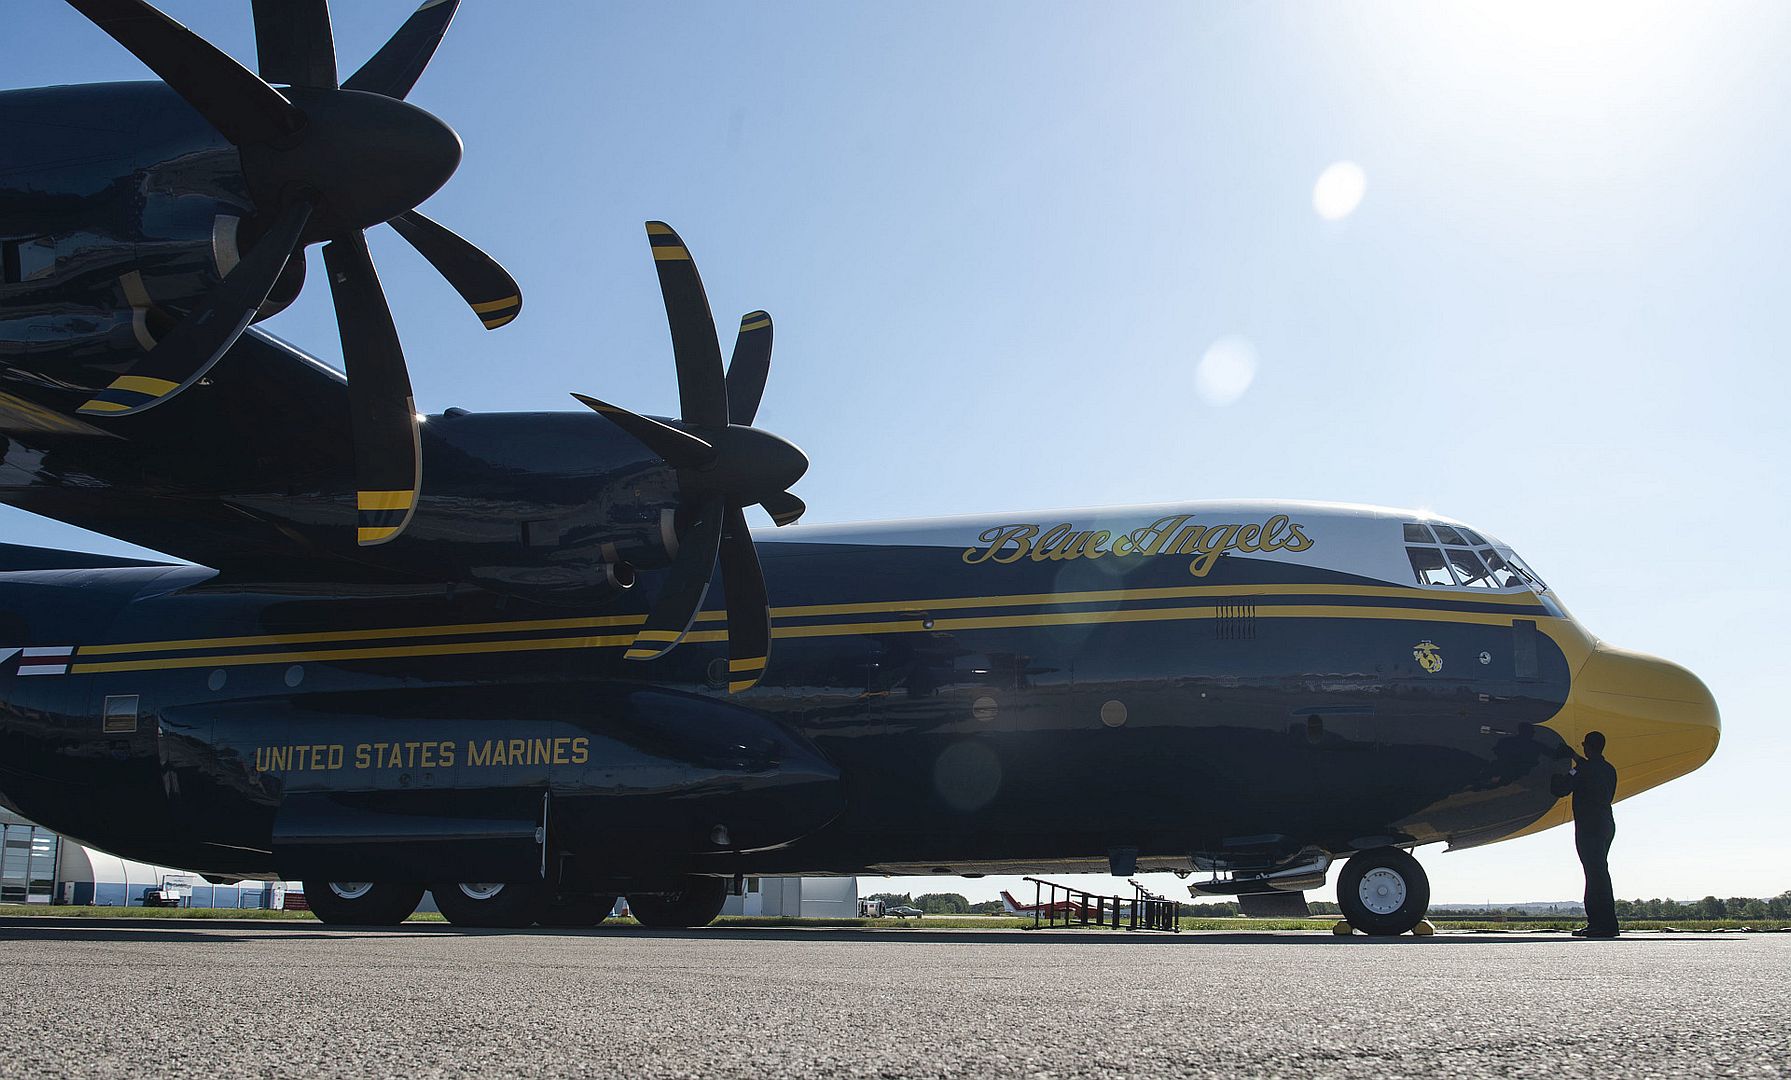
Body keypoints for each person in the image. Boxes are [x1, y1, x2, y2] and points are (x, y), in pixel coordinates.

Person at [1559, 730, 1620, 938]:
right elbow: (1590, 768)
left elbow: (1562, 788)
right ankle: (1607, 923)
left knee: (1594, 875)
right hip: (1606, 823)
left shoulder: (1582, 770)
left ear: (1588, 746)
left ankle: (1600, 924)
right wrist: (1576, 758)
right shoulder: (1609, 769)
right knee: (1600, 871)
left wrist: (1568, 768)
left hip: (1588, 825)